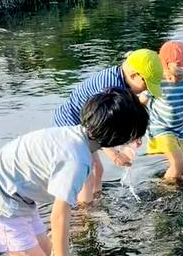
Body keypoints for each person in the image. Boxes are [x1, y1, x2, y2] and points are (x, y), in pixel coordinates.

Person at [0, 89, 149, 256]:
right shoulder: (77, 159)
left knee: (46, 254)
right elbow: (59, 214)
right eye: (132, 136)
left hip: (15, 195)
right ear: (116, 136)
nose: (134, 143)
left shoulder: (74, 135)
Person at [53, 49, 163, 202]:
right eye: (146, 85)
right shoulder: (110, 87)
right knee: (86, 173)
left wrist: (134, 134)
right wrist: (114, 155)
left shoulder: (121, 79)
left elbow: (125, 113)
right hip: (70, 127)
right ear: (134, 75)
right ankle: (85, 215)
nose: (145, 90)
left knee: (98, 169)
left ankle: (96, 200)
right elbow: (99, 127)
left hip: (86, 127)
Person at [146, 40, 183, 183]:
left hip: (180, 128)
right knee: (178, 164)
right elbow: (144, 98)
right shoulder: (156, 78)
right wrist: (139, 100)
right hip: (160, 127)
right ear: (162, 68)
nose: (173, 80)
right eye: (169, 76)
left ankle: (180, 190)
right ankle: (163, 192)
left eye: (179, 77)